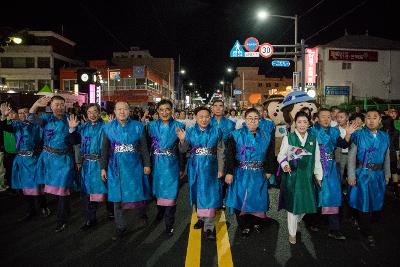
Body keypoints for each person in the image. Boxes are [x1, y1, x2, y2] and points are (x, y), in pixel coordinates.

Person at [100, 101, 151, 240]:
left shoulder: (138, 126)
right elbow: (104, 149)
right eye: (119, 109)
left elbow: (144, 148)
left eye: (125, 109)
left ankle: (142, 214)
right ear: (114, 112)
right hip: (115, 168)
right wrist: (103, 167)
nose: (122, 112)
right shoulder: (107, 128)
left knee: (139, 191)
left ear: (130, 111)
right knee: (117, 197)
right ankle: (120, 227)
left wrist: (147, 164)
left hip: (134, 166)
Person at [225, 108, 275, 238]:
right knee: (241, 199)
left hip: (259, 172)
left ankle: (256, 222)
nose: (253, 121)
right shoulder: (235, 135)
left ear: (259, 120)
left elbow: (270, 154)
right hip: (240, 173)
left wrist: (269, 170)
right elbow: (229, 155)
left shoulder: (266, 135)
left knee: (259, 198)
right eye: (250, 118)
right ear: (244, 119)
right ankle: (244, 225)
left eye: (255, 118)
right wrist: (229, 172)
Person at [28, 95, 75, 232]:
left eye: (62, 104)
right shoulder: (46, 118)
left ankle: (62, 219)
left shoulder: (70, 119)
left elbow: (76, 139)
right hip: (47, 159)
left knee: (63, 190)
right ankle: (43, 208)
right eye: (56, 104)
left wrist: (73, 129)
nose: (59, 107)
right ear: (51, 106)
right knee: (40, 185)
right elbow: (31, 118)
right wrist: (36, 104)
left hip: (64, 159)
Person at [177, 106, 224, 240]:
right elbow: (183, 150)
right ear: (196, 118)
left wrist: (221, 169)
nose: (204, 119)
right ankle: (201, 218)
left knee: (210, 195)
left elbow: (221, 151)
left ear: (210, 117)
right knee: (196, 192)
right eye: (201, 117)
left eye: (206, 117)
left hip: (211, 168)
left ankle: (209, 227)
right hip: (195, 167)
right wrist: (182, 140)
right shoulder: (190, 131)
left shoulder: (217, 131)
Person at [309, 108, 357, 240]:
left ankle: (334, 228)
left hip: (330, 167)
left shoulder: (335, 130)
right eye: (323, 116)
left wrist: (348, 134)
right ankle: (315, 221)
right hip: (316, 167)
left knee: (334, 196)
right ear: (317, 118)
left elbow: (342, 144)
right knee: (317, 195)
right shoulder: (311, 131)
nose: (326, 119)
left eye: (329, 117)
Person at [277, 111, 323, 244]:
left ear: (309, 124)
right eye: (299, 122)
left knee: (306, 205)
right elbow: (281, 155)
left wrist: (318, 176)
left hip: (307, 178)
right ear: (295, 124)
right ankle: (292, 233)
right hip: (293, 177)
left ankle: (296, 222)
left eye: (305, 122)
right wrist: (285, 164)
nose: (302, 125)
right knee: (293, 206)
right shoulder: (289, 138)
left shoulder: (313, 140)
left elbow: (317, 159)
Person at [347, 109, 390, 247]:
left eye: (375, 117)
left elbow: (387, 156)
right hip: (363, 174)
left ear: (380, 120)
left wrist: (387, 173)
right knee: (364, 203)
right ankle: (367, 233)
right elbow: (352, 156)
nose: (371, 120)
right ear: (365, 120)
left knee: (375, 203)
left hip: (378, 175)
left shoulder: (384, 136)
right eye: (368, 117)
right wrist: (351, 175)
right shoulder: (358, 135)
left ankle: (360, 220)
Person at [0, 103, 50, 220]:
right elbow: (3, 127)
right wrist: (3, 116)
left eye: (25, 112)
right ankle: (30, 209)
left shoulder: (36, 125)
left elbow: (43, 140)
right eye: (20, 113)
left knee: (37, 185)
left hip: (33, 159)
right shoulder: (16, 124)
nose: (23, 115)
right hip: (20, 160)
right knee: (24, 186)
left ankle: (43, 206)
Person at [68, 103, 114, 231]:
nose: (92, 115)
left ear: (99, 113)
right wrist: (72, 130)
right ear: (86, 114)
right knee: (87, 193)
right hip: (87, 165)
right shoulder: (83, 127)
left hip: (101, 163)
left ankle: (111, 210)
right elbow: (74, 141)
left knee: (106, 188)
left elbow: (113, 142)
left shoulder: (105, 126)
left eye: (95, 112)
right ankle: (90, 219)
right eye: (89, 112)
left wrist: (112, 129)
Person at [147, 99, 184, 236]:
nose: (164, 112)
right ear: (157, 111)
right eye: (161, 109)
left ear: (172, 110)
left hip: (171, 165)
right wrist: (147, 164)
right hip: (155, 164)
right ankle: (160, 211)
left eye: (167, 109)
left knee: (171, 194)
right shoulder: (150, 126)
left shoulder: (179, 126)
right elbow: (146, 147)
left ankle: (169, 225)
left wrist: (181, 167)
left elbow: (182, 150)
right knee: (157, 192)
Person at [381, 115, 400, 198]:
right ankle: (396, 190)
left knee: (383, 171)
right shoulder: (396, 131)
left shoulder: (380, 131)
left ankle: (383, 190)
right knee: (394, 172)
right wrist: (398, 156)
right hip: (392, 155)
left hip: (382, 155)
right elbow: (396, 146)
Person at [336, 110, 350, 192]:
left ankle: (349, 191)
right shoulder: (334, 130)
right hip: (339, 155)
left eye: (341, 117)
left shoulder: (353, 129)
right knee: (339, 174)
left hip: (351, 155)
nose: (339, 119)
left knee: (351, 174)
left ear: (347, 118)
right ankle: (339, 192)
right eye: (337, 117)